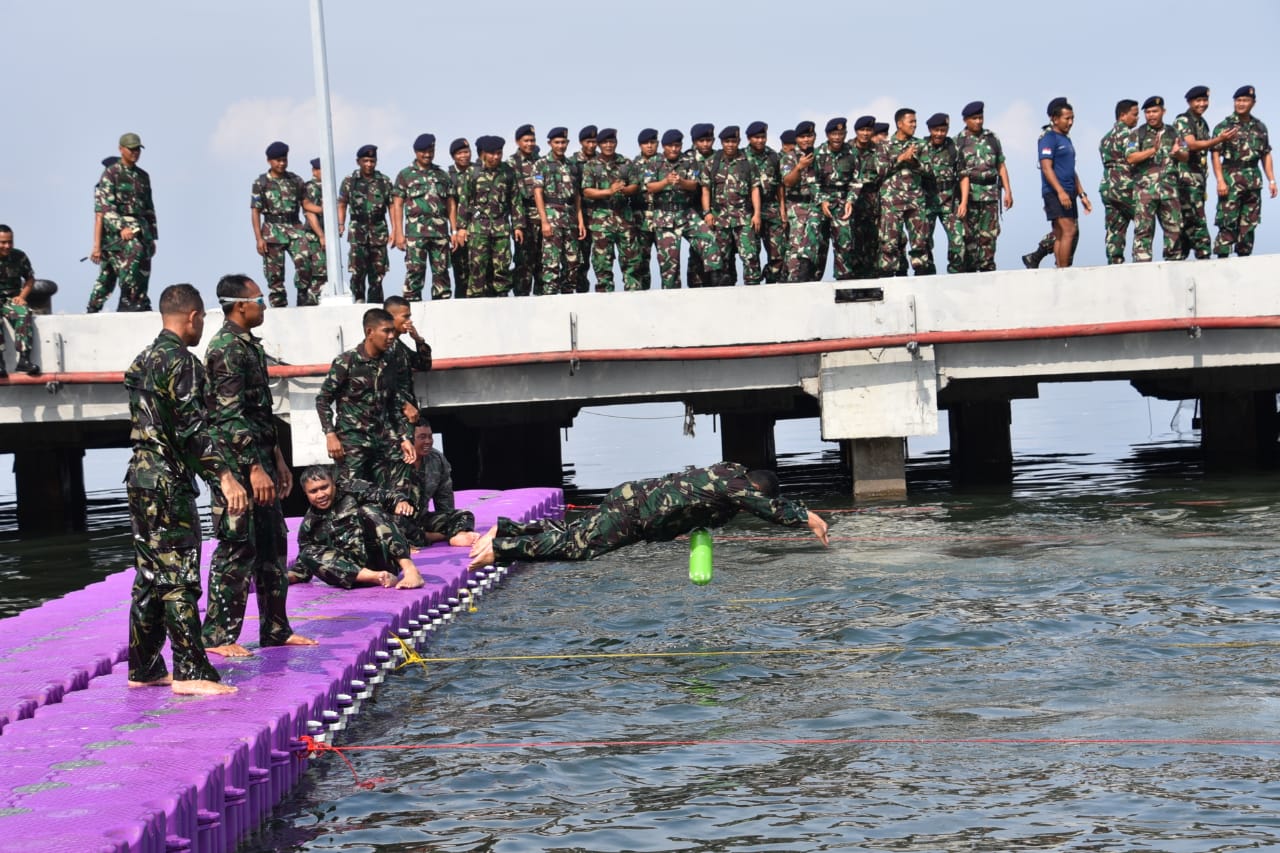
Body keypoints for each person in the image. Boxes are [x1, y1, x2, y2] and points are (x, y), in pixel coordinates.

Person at [124, 283, 248, 696]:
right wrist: (225, 477)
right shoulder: (182, 361)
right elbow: (193, 429)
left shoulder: (143, 359)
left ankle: (144, 668)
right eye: (201, 319)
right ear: (192, 316)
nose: (200, 327)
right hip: (166, 481)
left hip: (139, 478)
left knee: (149, 574)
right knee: (179, 576)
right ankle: (192, 671)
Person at [201, 274, 316, 658]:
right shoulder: (226, 349)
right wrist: (252, 468)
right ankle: (218, 635)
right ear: (239, 305)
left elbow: (260, 413)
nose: (263, 305)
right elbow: (229, 418)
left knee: (272, 544)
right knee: (237, 548)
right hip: (237, 467)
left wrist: (279, 459)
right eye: (259, 299)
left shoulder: (248, 346)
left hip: (262, 460)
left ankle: (276, 630)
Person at [468, 461, 829, 568]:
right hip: (635, 515)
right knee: (578, 547)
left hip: (632, 500)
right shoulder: (735, 488)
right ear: (757, 489)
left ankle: (505, 529)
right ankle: (502, 549)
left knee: (575, 530)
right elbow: (770, 507)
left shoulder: (725, 473)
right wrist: (809, 518)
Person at [315, 307, 417, 487]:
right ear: (370, 332)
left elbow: (391, 401)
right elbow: (323, 400)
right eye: (386, 331)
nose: (392, 336)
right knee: (352, 492)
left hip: (384, 440)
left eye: (393, 330)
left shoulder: (389, 361)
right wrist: (330, 435)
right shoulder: (347, 361)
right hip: (353, 442)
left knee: (398, 486)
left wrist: (403, 437)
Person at [288, 467, 425, 590]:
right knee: (307, 552)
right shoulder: (309, 525)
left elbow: (383, 495)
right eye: (313, 491)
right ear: (306, 493)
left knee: (369, 510)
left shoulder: (351, 489)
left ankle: (411, 570)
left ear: (333, 484)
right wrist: (285, 578)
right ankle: (378, 577)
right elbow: (304, 566)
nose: (321, 495)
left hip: (381, 557)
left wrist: (400, 502)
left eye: (324, 487)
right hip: (353, 574)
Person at [455, 135, 523, 298]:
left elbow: (515, 200)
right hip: (478, 228)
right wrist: (461, 228)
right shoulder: (472, 172)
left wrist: (518, 226)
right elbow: (464, 201)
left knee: (502, 266)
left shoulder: (507, 172)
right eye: (492, 154)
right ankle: (475, 298)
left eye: (499, 153)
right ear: (483, 153)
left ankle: (502, 297)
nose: (496, 157)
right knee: (478, 266)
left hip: (501, 228)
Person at [1211, 85, 1275, 258]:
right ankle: (1221, 260)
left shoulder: (1260, 127)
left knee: (1250, 223)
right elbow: (1215, 154)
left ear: (1253, 103)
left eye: (1245, 100)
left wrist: (1272, 180)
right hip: (1231, 177)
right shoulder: (1224, 126)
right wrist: (1220, 180)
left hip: (1253, 179)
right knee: (1227, 221)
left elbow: (1266, 154)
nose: (1241, 104)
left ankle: (1244, 260)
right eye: (1238, 100)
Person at [1175, 86, 1237, 261]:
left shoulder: (1202, 123)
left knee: (1190, 222)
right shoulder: (1183, 120)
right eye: (1198, 101)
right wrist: (1219, 139)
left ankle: (1182, 257)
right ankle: (1203, 256)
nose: (1202, 104)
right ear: (1189, 102)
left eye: (1205, 100)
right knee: (1196, 221)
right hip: (1185, 180)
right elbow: (1191, 145)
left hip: (1198, 180)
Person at [251, 141, 316, 307]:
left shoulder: (295, 180)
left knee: (306, 261)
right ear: (269, 161)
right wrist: (259, 238)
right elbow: (255, 211)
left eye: (284, 159)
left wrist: (323, 209)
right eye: (278, 160)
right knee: (275, 273)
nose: (281, 163)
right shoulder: (261, 183)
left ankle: (303, 294)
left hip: (294, 227)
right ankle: (279, 304)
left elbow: (306, 203)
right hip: (272, 230)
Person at [97, 132, 157, 311]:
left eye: (138, 149)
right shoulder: (111, 173)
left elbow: (149, 207)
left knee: (145, 263)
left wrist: (153, 237)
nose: (135, 152)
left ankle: (140, 300)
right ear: (121, 149)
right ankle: (128, 299)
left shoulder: (143, 176)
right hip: (120, 234)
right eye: (131, 149)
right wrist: (121, 227)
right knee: (132, 256)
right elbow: (106, 207)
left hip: (142, 230)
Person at [393, 133, 454, 301]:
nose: (427, 155)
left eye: (430, 151)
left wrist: (454, 230)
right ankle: (411, 307)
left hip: (440, 233)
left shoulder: (442, 175)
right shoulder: (405, 175)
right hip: (415, 233)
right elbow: (397, 204)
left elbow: (450, 204)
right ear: (415, 152)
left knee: (441, 272)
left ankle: (442, 306)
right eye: (423, 152)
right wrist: (398, 233)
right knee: (415, 271)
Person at [700, 126, 763, 286]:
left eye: (733, 141)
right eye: (727, 141)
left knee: (750, 256)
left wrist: (757, 213)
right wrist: (707, 212)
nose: (730, 145)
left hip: (744, 218)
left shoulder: (748, 161)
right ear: (721, 142)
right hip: (719, 219)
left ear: (739, 142)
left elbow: (755, 188)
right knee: (722, 259)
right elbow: (705, 189)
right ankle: (724, 293)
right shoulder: (712, 163)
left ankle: (754, 289)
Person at [400, 422, 479, 549]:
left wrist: (451, 523)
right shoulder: (394, 460)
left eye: (430, 437)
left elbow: (444, 497)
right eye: (422, 437)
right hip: (398, 521)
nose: (428, 441)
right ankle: (434, 536)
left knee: (463, 515)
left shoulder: (436, 459)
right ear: (408, 439)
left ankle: (456, 535)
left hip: (421, 519)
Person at [582, 128, 643, 291]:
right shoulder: (591, 166)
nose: (609, 145)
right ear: (599, 145)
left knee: (631, 259)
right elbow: (587, 190)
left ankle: (633, 293)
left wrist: (623, 190)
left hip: (624, 217)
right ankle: (604, 295)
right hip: (601, 219)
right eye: (605, 142)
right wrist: (609, 191)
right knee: (602, 262)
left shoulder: (626, 163)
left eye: (612, 142)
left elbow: (635, 186)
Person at [954, 102, 1012, 272]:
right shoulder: (959, 141)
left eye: (981, 117)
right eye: (974, 118)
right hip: (969, 195)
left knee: (989, 236)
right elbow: (959, 173)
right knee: (969, 238)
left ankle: (988, 270)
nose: (979, 121)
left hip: (990, 194)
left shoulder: (992, 138)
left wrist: (1008, 191)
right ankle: (971, 273)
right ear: (966, 120)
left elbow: (1001, 165)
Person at [1129, 96, 1186, 263]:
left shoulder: (1174, 132)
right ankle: (1141, 266)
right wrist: (1151, 151)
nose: (1151, 115)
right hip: (1145, 191)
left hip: (1169, 190)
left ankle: (1174, 262)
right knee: (1143, 230)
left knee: (1174, 229)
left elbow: (1185, 155)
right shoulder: (1137, 134)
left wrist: (1178, 153)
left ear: (1163, 112)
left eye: (1154, 111)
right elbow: (1131, 158)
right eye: (1147, 112)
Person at [875, 108, 930, 277]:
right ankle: (888, 276)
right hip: (891, 201)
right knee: (889, 242)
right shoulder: (884, 145)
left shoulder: (920, 144)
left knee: (920, 240)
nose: (914, 125)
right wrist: (900, 159)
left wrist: (913, 161)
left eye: (915, 121)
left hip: (915, 199)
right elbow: (880, 171)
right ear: (899, 124)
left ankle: (921, 273)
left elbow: (929, 171)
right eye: (910, 122)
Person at [644, 129, 702, 289]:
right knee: (670, 266)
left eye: (677, 145)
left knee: (710, 243)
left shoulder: (689, 160)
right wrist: (666, 182)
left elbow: (694, 184)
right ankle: (670, 299)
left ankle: (716, 279)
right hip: (664, 216)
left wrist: (681, 182)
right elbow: (649, 186)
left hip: (686, 213)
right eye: (670, 145)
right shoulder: (653, 161)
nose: (674, 149)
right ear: (663, 146)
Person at [1039, 97, 1092, 269]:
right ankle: (1064, 270)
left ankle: (1060, 268)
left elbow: (1071, 170)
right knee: (1069, 231)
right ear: (1055, 119)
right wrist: (1060, 192)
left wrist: (1082, 194)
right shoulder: (1049, 138)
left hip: (1070, 190)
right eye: (1066, 118)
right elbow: (1046, 168)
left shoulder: (1066, 139)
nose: (1070, 122)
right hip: (1055, 192)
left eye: (1072, 118)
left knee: (1061, 234)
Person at [338, 144, 394, 303]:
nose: (369, 164)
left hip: (378, 229)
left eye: (372, 161)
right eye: (365, 161)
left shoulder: (384, 181)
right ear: (358, 162)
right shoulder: (350, 181)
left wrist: (394, 229)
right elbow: (342, 203)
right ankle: (358, 299)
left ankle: (375, 303)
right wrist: (341, 224)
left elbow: (391, 205)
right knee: (357, 270)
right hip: (358, 230)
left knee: (378, 271)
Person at [533, 126, 586, 294]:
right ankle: (550, 297)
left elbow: (577, 195)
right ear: (550, 143)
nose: (561, 145)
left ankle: (568, 296)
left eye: (564, 142)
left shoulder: (572, 165)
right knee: (551, 262)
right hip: (551, 217)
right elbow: (538, 192)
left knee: (573, 262)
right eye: (557, 142)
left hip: (570, 218)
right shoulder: (541, 164)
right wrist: (544, 221)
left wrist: (580, 221)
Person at [918, 113, 965, 275]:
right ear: (930, 129)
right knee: (923, 242)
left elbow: (963, 176)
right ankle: (927, 275)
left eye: (943, 130)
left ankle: (956, 273)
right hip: (927, 202)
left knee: (958, 241)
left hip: (950, 202)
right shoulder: (921, 147)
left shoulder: (953, 147)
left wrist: (964, 202)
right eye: (936, 130)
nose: (939, 134)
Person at [813, 117, 857, 280]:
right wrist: (822, 200)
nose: (837, 137)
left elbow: (857, 179)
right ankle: (814, 281)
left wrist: (851, 200)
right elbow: (813, 181)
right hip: (821, 203)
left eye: (841, 133)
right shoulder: (818, 153)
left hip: (843, 202)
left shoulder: (852, 152)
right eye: (834, 134)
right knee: (817, 244)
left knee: (844, 243)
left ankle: (844, 282)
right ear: (827, 135)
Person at [1097, 100, 1140, 265]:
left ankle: (1114, 262)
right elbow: (1131, 158)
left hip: (1108, 186)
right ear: (1123, 115)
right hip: (1124, 185)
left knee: (1115, 227)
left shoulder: (1105, 138)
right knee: (1143, 218)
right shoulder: (1129, 135)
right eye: (1134, 114)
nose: (1137, 118)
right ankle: (1141, 257)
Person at [781, 120, 824, 282]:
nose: (806, 140)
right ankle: (794, 280)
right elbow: (787, 182)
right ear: (797, 139)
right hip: (797, 206)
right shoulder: (789, 158)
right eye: (803, 137)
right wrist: (799, 167)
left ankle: (813, 280)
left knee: (818, 245)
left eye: (810, 136)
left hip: (818, 205)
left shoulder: (821, 156)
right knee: (797, 245)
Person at [0, 226, 42, 377]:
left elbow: (30, 278)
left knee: (24, 313)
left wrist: (22, 296)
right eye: (3, 242)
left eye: (10, 242)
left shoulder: (19, 256)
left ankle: (24, 360)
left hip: (11, 299)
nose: (7, 246)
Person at [508, 124, 542, 297]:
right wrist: (518, 224)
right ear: (518, 141)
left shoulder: (541, 161)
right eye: (526, 140)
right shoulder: (511, 163)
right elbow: (512, 197)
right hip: (524, 218)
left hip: (543, 218)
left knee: (543, 261)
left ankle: (542, 297)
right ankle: (521, 297)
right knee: (523, 262)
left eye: (533, 140)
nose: (530, 143)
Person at [87, 155, 122, 313]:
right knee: (107, 279)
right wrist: (97, 247)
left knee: (128, 278)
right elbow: (99, 219)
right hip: (111, 243)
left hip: (124, 243)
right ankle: (93, 308)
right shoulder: (103, 189)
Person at [632, 128, 661, 289]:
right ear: (640, 145)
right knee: (641, 260)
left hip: (663, 215)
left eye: (652, 142)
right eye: (645, 143)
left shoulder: (666, 162)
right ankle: (644, 295)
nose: (649, 146)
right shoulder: (633, 164)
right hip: (640, 217)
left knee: (667, 260)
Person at [571, 126, 598, 292]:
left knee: (603, 259)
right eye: (589, 141)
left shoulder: (603, 160)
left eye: (595, 141)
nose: (592, 145)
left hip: (602, 216)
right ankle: (581, 294)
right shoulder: (572, 163)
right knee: (581, 260)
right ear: (581, 142)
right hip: (581, 216)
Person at [446, 138, 473, 299]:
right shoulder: (448, 176)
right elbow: (450, 207)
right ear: (453, 156)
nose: (464, 156)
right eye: (460, 153)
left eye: (466, 152)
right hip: (457, 233)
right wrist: (455, 230)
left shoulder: (479, 172)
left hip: (479, 230)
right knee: (461, 274)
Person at [303, 157, 328, 300]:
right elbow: (310, 214)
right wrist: (321, 235)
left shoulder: (326, 187)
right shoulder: (311, 188)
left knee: (326, 270)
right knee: (319, 270)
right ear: (315, 171)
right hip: (314, 236)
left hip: (325, 235)